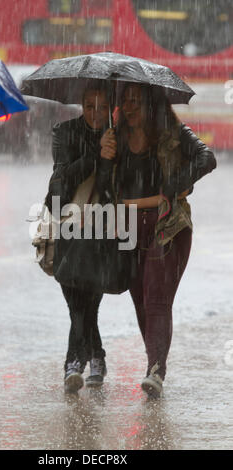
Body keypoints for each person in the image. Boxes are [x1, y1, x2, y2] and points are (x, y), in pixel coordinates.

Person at [99, 83, 216, 398]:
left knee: (156, 298)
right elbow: (107, 192)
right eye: (126, 101)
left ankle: (156, 370)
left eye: (136, 101)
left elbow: (207, 158)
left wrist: (176, 185)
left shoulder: (173, 133)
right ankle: (154, 361)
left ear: (151, 105)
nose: (130, 107)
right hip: (129, 227)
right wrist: (105, 156)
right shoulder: (116, 136)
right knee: (140, 300)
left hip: (168, 225)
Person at [45, 81, 113, 393]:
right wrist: (96, 156)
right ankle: (95, 356)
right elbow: (61, 178)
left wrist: (113, 158)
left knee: (90, 299)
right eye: (90, 107)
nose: (96, 114)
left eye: (102, 107)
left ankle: (73, 362)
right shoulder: (65, 132)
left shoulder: (119, 134)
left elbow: (123, 184)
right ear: (81, 106)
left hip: (108, 226)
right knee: (75, 299)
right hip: (69, 222)